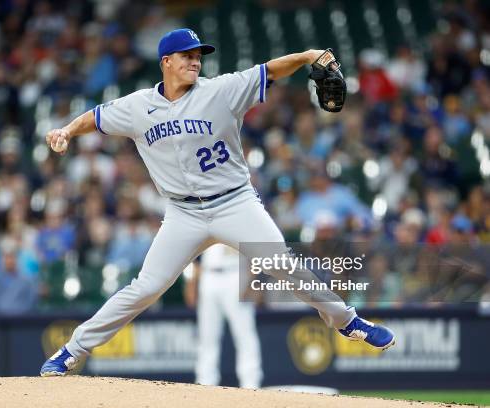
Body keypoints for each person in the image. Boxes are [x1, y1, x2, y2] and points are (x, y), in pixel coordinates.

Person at [40, 28, 395, 376]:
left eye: (198, 56)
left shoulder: (222, 90)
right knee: (145, 287)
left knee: (283, 264)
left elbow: (270, 70)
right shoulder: (137, 106)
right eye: (187, 56)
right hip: (183, 213)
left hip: (234, 203)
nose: (195, 61)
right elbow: (97, 117)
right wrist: (68, 131)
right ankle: (71, 351)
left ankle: (348, 321)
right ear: (166, 61)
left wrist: (305, 57)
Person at [185, 244, 263, 389]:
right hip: (207, 275)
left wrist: (251, 281)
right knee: (207, 335)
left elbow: (254, 251)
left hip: (235, 273)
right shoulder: (205, 221)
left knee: (244, 334)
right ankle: (205, 381)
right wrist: (191, 283)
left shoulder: (242, 221)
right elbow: (194, 256)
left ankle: (251, 383)